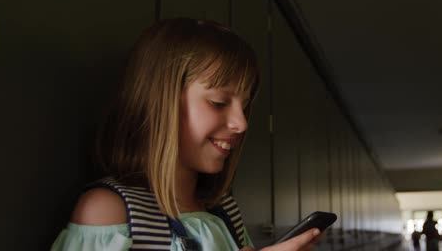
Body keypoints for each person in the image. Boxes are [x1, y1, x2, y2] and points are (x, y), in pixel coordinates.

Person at [50, 18, 323, 251]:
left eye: (245, 105)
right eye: (218, 102)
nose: (241, 124)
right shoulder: (110, 212)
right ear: (160, 102)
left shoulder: (224, 209)